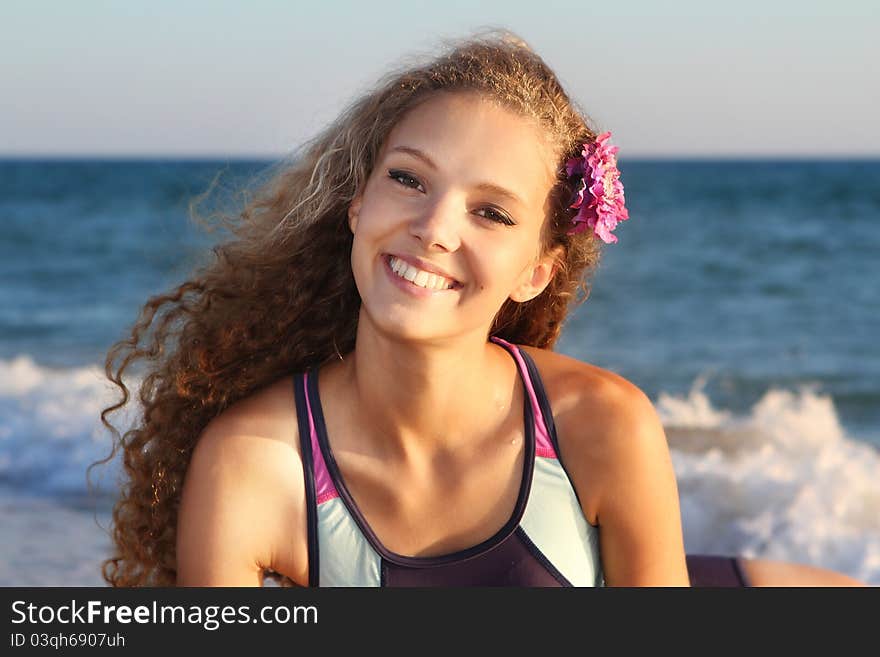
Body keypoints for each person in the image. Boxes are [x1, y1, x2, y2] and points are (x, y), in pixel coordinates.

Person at [95, 31, 866, 588]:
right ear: (356, 202)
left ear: (536, 269)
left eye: (492, 212)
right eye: (409, 179)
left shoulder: (603, 426)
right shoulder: (252, 467)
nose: (434, 229)